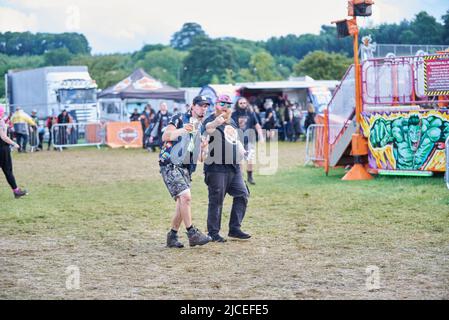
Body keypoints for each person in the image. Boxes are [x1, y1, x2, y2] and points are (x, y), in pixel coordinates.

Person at [160, 95, 211, 248]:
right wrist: (184, 129)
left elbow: (201, 158)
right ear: (193, 106)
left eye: (206, 106)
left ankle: (172, 236)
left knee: (182, 203)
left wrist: (204, 148)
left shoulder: (200, 127)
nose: (204, 108)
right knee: (186, 197)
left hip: (186, 168)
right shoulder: (179, 118)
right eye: (201, 105)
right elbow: (165, 136)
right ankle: (192, 233)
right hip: (170, 162)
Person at [203, 94, 251, 242]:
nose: (225, 107)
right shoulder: (211, 119)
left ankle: (234, 228)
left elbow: (235, 140)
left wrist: (243, 152)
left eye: (229, 104)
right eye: (222, 103)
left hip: (234, 167)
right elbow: (207, 129)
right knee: (216, 201)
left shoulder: (232, 121)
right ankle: (213, 233)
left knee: (242, 194)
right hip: (216, 167)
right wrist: (216, 123)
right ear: (216, 104)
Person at [231, 97, 264, 185]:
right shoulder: (234, 114)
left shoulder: (251, 113)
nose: (243, 104)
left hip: (249, 139)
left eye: (244, 103)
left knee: (250, 159)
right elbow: (230, 127)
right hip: (238, 140)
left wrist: (261, 136)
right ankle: (241, 178)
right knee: (240, 160)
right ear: (237, 104)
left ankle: (250, 177)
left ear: (247, 104)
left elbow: (257, 125)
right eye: (241, 103)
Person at [0, 105, 28, 198]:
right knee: (8, 170)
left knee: (8, 170)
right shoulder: (0, 121)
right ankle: (16, 191)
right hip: (3, 149)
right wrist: (14, 144)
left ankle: (16, 191)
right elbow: (3, 137)